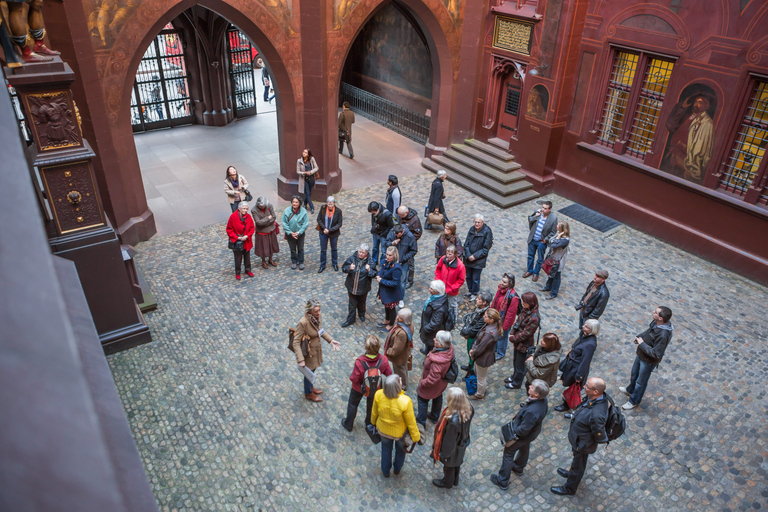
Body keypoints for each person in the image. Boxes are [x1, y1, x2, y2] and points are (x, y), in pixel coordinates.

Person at [551, 377, 610, 495]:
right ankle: (571, 472)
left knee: (579, 465)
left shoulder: (597, 413)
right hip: (579, 440)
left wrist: (587, 442)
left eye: (587, 386)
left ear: (595, 392)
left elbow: (598, 432)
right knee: (577, 461)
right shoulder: (595, 398)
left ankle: (570, 488)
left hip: (583, 443)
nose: (584, 387)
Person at [490, 379, 550, 490]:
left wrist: (514, 436)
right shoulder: (543, 401)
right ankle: (518, 467)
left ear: (537, 394)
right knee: (524, 447)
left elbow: (523, 430)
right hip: (531, 434)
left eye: (532, 387)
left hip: (524, 435)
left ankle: (503, 480)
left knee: (509, 452)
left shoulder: (532, 411)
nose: (529, 387)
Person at [620, 306, 674, 410]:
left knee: (641, 382)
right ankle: (630, 390)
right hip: (641, 354)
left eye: (656, 312)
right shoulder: (655, 323)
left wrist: (642, 344)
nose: (653, 312)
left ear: (661, 318)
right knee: (634, 374)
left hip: (648, 361)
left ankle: (634, 401)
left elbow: (656, 353)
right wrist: (639, 337)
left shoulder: (663, 334)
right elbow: (648, 332)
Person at [371, 375, 421, 478]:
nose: (401, 380)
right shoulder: (405, 402)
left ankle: (385, 471)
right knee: (400, 452)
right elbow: (411, 423)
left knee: (385, 450)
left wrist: (373, 422)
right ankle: (397, 469)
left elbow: (374, 413)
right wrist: (416, 437)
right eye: (400, 380)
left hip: (383, 431)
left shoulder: (378, 395)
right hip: (400, 434)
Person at [293, 300, 341, 402]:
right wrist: (300, 359)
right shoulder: (303, 322)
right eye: (316, 311)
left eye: (319, 310)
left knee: (312, 371)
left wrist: (331, 340)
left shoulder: (316, 318)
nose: (319, 313)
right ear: (309, 311)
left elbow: (320, 331)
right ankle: (308, 393)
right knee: (308, 373)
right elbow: (296, 342)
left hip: (316, 351)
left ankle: (310, 387)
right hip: (308, 353)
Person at [341, 335, 392, 431]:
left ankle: (349, 423)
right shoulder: (383, 360)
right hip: (375, 388)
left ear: (366, 347)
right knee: (372, 406)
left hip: (358, 388)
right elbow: (389, 374)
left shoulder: (360, 362)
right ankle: (369, 423)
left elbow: (354, 378)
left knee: (353, 404)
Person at [660, 94, 715, 183]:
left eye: (700, 102)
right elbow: (670, 126)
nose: (696, 104)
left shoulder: (707, 123)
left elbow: (701, 148)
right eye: (696, 102)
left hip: (684, 161)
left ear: (706, 106)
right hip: (672, 154)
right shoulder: (690, 116)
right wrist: (681, 108)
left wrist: (690, 165)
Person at [431, 387, 474, 489]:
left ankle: (447, 482)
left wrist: (444, 454)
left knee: (449, 465)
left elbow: (449, 442)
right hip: (462, 442)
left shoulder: (453, 422)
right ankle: (455, 480)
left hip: (453, 447)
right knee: (457, 462)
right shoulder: (469, 409)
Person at [554, 319, 599, 412]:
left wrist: (579, 376)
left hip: (576, 368)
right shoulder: (584, 335)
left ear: (592, 330)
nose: (583, 327)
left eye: (586, 327)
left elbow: (585, 361)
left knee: (573, 388)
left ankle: (566, 405)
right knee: (569, 383)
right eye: (585, 325)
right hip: (571, 364)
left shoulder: (590, 344)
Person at [416, 330, 454, 426]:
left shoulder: (438, 362)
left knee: (422, 400)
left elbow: (432, 379)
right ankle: (434, 416)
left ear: (440, 345)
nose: (434, 339)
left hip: (432, 385)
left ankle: (421, 422)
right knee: (437, 396)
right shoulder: (448, 350)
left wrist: (422, 383)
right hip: (440, 384)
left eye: (436, 340)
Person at [505, 292, 541, 389]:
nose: (522, 303)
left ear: (531, 303)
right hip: (518, 341)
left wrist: (513, 338)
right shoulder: (525, 309)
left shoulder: (534, 318)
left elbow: (526, 334)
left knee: (520, 365)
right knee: (515, 361)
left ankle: (517, 382)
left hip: (524, 344)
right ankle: (514, 376)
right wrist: (512, 332)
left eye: (525, 302)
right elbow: (518, 322)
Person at [468, 308, 501, 400]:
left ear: (491, 320)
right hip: (483, 354)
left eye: (485, 316)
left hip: (484, 357)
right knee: (479, 373)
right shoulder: (490, 325)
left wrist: (473, 352)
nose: (483, 317)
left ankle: (479, 394)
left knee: (481, 377)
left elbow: (481, 347)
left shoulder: (489, 333)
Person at [341, 243, 377, 327]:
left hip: (363, 288)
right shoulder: (352, 259)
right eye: (360, 252)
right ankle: (350, 319)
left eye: (363, 253)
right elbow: (344, 268)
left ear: (366, 254)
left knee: (362, 302)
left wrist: (369, 270)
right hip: (351, 287)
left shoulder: (370, 262)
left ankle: (361, 314)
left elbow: (374, 274)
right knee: (352, 304)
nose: (360, 254)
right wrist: (349, 268)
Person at [524, 200, 558, 282]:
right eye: (543, 207)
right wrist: (536, 216)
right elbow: (530, 220)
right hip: (533, 239)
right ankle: (529, 270)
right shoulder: (538, 212)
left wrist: (546, 239)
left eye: (545, 208)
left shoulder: (553, 218)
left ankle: (536, 273)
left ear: (550, 209)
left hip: (541, 241)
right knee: (530, 256)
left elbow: (553, 232)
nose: (543, 209)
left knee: (540, 259)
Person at [463, 214, 494, 301]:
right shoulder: (472, 229)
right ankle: (470, 290)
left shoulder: (487, 231)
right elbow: (466, 244)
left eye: (478, 222)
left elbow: (485, 249)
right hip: (468, 258)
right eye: (475, 222)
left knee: (475, 278)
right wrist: (468, 255)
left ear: (482, 223)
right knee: (468, 276)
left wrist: (475, 256)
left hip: (478, 260)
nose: (476, 224)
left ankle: (475, 292)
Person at [459, 291, 491, 372]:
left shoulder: (484, 314)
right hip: (471, 335)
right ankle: (470, 366)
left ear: (484, 303)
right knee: (469, 353)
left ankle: (472, 371)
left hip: (475, 338)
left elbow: (475, 329)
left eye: (479, 299)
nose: (476, 299)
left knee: (472, 354)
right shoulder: (479, 309)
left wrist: (465, 333)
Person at [385, 224, 417, 305]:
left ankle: (400, 298)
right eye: (395, 234)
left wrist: (403, 258)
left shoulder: (410, 237)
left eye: (398, 234)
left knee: (402, 282)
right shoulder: (392, 232)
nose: (396, 235)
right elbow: (386, 243)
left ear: (402, 231)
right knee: (390, 278)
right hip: (392, 261)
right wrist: (393, 242)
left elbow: (413, 250)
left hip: (403, 262)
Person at [491, 273, 520, 361]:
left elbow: (510, 314)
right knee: (497, 334)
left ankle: (501, 352)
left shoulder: (513, 297)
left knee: (502, 336)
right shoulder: (500, 289)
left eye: (505, 282)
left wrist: (505, 326)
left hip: (504, 320)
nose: (502, 283)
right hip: (497, 317)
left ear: (510, 284)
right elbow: (495, 301)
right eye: (502, 281)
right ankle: (496, 348)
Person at [435, 245, 465, 324]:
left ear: (455, 255)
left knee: (452, 305)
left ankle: (453, 320)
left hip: (451, 291)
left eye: (450, 254)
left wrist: (451, 288)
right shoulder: (443, 259)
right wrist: (438, 281)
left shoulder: (460, 266)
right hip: (441, 288)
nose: (447, 256)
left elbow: (461, 280)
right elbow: (438, 269)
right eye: (447, 253)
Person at [384, 308, 413, 390]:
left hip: (399, 357)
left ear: (405, 320)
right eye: (398, 316)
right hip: (404, 353)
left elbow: (396, 349)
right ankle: (404, 382)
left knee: (400, 370)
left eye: (400, 318)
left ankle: (403, 385)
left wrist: (388, 351)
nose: (397, 318)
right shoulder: (408, 325)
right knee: (403, 368)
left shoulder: (402, 333)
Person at [375, 246, 403, 332]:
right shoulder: (386, 262)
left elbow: (395, 283)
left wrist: (381, 280)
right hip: (384, 290)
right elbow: (382, 270)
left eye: (390, 255)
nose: (387, 256)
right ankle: (387, 320)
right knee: (386, 306)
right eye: (387, 254)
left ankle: (391, 324)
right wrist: (379, 275)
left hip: (391, 293)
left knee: (391, 308)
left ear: (394, 256)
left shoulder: (396, 268)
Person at [226, 201, 255, 280]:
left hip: (246, 241)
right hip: (237, 242)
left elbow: (252, 228)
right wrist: (237, 237)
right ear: (239, 209)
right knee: (238, 258)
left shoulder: (248, 217)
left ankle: (248, 270)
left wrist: (247, 236)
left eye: (246, 209)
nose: (245, 210)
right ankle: (237, 272)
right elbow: (229, 229)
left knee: (247, 257)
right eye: (244, 208)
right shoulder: (233, 217)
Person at [542, 221, 570, 300]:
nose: (556, 226)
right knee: (551, 273)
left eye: (558, 225)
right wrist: (556, 238)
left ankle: (553, 293)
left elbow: (553, 244)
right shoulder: (558, 233)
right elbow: (551, 240)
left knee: (556, 276)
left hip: (558, 260)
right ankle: (548, 287)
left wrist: (557, 238)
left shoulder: (565, 239)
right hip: (553, 257)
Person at [419, 280, 449, 354]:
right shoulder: (436, 298)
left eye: (431, 288)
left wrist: (425, 329)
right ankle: (427, 350)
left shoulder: (439, 309)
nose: (429, 289)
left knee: (431, 345)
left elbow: (435, 323)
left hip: (432, 332)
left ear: (437, 291)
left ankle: (429, 355)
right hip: (427, 326)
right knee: (428, 344)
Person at [397, 205, 422, 289]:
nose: (399, 217)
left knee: (410, 263)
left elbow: (418, 233)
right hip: (400, 243)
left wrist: (409, 240)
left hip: (409, 245)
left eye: (401, 215)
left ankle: (410, 280)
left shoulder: (414, 220)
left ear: (406, 213)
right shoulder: (401, 216)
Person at [251, 196, 279, 269]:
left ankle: (270, 259)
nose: (262, 207)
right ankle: (263, 261)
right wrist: (267, 218)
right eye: (260, 206)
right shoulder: (254, 210)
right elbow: (258, 222)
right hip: (262, 232)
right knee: (263, 247)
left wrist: (265, 222)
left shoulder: (269, 206)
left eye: (263, 206)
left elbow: (273, 217)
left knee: (271, 245)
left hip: (270, 230)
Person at [282, 195, 309, 270]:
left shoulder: (303, 212)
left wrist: (299, 232)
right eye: (293, 202)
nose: (294, 204)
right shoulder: (287, 211)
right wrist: (290, 232)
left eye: (296, 202)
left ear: (299, 203)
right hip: (290, 234)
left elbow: (305, 224)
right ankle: (294, 261)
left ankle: (301, 261)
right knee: (292, 248)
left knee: (300, 248)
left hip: (300, 234)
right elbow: (284, 223)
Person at [316, 196, 342, 273]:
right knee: (323, 249)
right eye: (329, 204)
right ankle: (322, 265)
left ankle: (334, 263)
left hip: (333, 233)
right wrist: (324, 228)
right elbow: (319, 219)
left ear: (334, 204)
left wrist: (330, 230)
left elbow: (339, 224)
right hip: (323, 232)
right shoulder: (323, 209)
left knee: (334, 248)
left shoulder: (338, 211)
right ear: (327, 203)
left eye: (331, 204)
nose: (330, 205)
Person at [368, 201, 394, 266]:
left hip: (384, 234)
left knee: (384, 250)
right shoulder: (374, 213)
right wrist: (373, 228)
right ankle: (374, 260)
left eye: (373, 212)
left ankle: (383, 262)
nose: (372, 214)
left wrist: (384, 234)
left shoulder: (387, 214)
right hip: (376, 233)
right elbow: (373, 221)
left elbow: (391, 226)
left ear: (378, 210)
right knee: (375, 247)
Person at [296, 149, 318, 214]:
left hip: (311, 179)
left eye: (305, 152)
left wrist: (310, 172)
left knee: (308, 193)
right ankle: (312, 207)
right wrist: (304, 173)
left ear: (308, 154)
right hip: (304, 179)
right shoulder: (299, 161)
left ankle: (305, 203)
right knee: (307, 193)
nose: (304, 153)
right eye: (303, 152)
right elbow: (297, 171)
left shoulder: (312, 159)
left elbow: (316, 167)